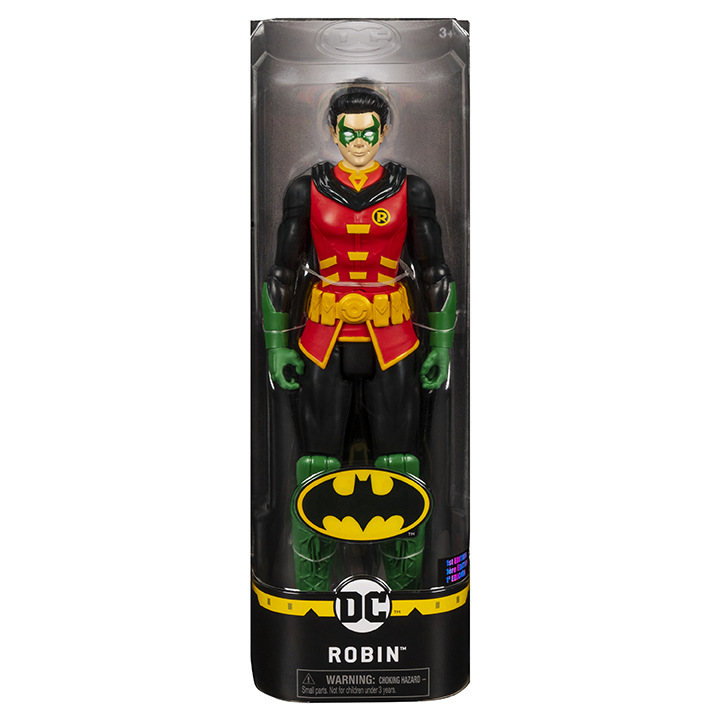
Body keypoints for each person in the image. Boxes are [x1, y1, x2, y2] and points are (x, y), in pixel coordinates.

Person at [262, 83, 456, 591]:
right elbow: (282, 272)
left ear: (383, 130)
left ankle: (407, 589)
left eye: (368, 132)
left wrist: (441, 346)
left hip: (393, 337)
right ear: (333, 131)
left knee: (401, 463)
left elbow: (435, 270)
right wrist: (277, 345)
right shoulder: (305, 190)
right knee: (316, 464)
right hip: (323, 336)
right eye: (348, 133)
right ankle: (311, 588)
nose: (358, 142)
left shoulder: (411, 190)